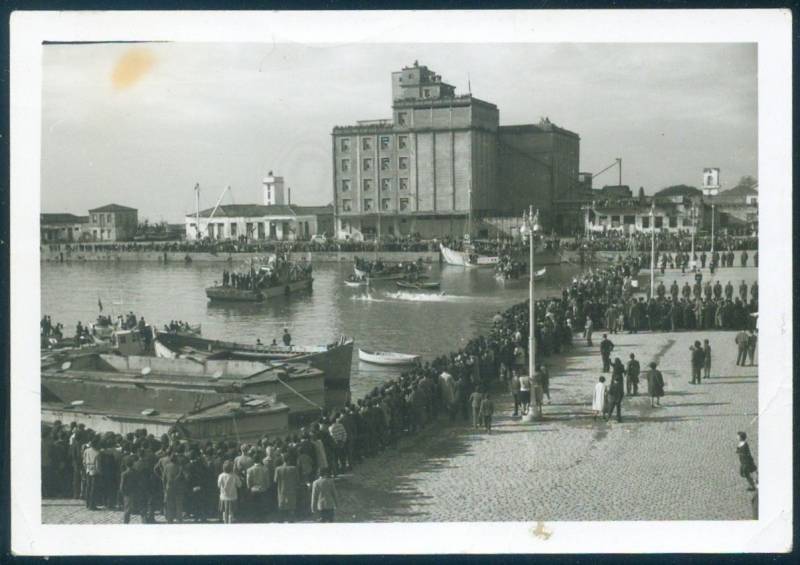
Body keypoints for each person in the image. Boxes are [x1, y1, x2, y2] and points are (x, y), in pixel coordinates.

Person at [274, 454, 300, 523]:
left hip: (281, 489)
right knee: (291, 505)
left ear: (283, 460)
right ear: (289, 460)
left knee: (281, 505)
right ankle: (291, 519)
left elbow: (275, 480)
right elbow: (297, 479)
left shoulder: (278, 469)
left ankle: (281, 519)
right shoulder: (294, 468)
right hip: (291, 489)